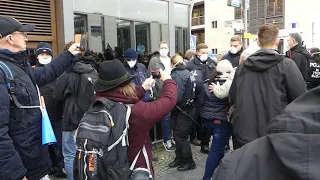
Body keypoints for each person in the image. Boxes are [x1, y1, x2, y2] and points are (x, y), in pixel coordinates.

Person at [0, 16, 79, 180]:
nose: (27, 38)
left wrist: (69, 54)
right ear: (10, 38)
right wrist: (16, 174)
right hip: (21, 168)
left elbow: (45, 73)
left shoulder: (18, 66)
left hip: (34, 160)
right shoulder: (3, 71)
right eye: (23, 34)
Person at [213, 86, 320, 180]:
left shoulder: (232, 166)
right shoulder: (286, 66)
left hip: (249, 133)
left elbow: (233, 94)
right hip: (276, 128)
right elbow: (298, 93)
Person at [94, 59, 177, 178]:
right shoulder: (138, 112)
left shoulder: (98, 103)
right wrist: (168, 80)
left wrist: (143, 88)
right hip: (132, 169)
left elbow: (120, 96)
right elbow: (169, 100)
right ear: (126, 84)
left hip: (105, 169)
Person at [230, 24, 306, 150]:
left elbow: (233, 97)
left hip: (244, 135)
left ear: (258, 42)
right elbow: (300, 99)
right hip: (276, 134)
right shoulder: (287, 65)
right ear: (277, 41)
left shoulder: (242, 68)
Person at [54, 51, 98, 180]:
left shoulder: (67, 73)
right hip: (91, 119)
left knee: (70, 155)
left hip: (71, 119)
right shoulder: (93, 72)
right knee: (91, 154)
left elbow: (57, 95)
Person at [35, 42, 66, 178]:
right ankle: (48, 167)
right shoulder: (32, 73)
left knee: (58, 143)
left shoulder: (59, 73)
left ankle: (60, 167)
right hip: (39, 117)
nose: (45, 56)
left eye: (47, 54)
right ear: (37, 56)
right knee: (44, 145)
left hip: (57, 115)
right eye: (42, 54)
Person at [201, 60, 235, 180]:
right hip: (223, 122)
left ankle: (218, 173)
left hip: (208, 120)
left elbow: (201, 102)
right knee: (216, 150)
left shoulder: (207, 83)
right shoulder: (231, 84)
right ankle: (208, 177)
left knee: (219, 147)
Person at [186, 43, 217, 154]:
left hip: (209, 97)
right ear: (197, 53)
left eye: (206, 52)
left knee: (207, 120)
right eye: (203, 52)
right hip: (195, 97)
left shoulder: (212, 63)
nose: (205, 55)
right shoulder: (190, 65)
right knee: (195, 119)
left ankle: (205, 143)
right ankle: (193, 137)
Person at [169, 54, 196, 171]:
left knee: (181, 136)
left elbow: (177, 96)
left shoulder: (177, 75)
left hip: (182, 109)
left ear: (172, 64)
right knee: (177, 134)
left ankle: (189, 161)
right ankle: (179, 158)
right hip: (187, 108)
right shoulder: (187, 72)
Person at [148, 41, 175, 152]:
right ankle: (166, 140)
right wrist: (156, 91)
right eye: (162, 48)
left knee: (171, 116)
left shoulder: (171, 60)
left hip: (172, 90)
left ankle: (171, 137)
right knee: (166, 117)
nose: (164, 49)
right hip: (161, 93)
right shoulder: (155, 61)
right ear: (159, 49)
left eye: (166, 47)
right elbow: (151, 76)